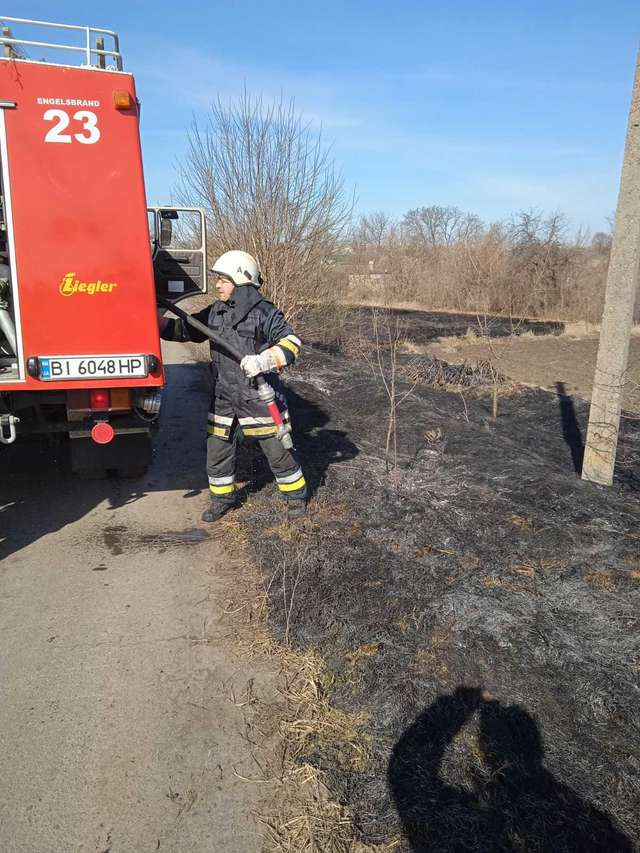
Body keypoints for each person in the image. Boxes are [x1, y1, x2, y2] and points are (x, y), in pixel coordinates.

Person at [159, 250, 307, 523]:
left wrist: (265, 360)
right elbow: (185, 329)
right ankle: (222, 500)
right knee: (217, 452)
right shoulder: (216, 311)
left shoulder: (265, 312)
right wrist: (157, 322)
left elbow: (292, 343)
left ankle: (296, 498)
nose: (217, 285)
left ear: (240, 281)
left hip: (258, 396)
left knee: (279, 452)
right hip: (224, 397)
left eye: (222, 280)